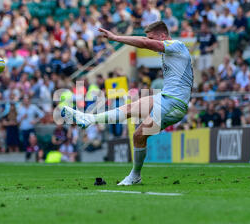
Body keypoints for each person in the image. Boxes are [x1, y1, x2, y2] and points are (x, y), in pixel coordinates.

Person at [61, 21, 193, 185]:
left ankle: (135, 176)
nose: (149, 41)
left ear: (163, 36)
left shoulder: (177, 45)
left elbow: (144, 43)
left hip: (174, 104)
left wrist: (116, 38)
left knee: (138, 135)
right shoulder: (170, 51)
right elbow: (143, 39)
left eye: (152, 38)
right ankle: (89, 119)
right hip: (165, 97)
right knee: (131, 112)